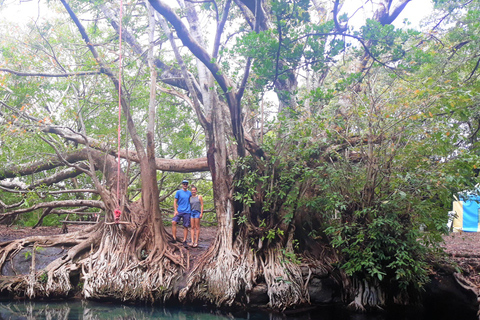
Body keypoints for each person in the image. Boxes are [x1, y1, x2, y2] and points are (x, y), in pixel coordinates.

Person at [172, 180, 191, 244]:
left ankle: (184, 240)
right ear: (182, 185)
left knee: (186, 226)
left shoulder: (189, 193)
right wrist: (175, 210)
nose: (185, 185)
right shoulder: (178, 192)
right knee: (174, 222)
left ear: (187, 185)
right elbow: (175, 201)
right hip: (179, 210)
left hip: (187, 211)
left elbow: (193, 200)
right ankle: (174, 238)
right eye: (184, 184)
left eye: (186, 184)